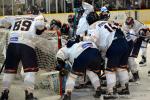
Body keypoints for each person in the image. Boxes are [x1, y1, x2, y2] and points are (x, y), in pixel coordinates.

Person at [0, 7, 46, 100]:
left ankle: (4, 94)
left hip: (12, 45)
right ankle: (29, 95)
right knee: (30, 72)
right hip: (27, 45)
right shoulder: (37, 17)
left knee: (9, 71)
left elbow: (2, 21)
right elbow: (40, 29)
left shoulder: (15, 18)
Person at [122, 17, 150, 82]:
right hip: (128, 43)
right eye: (127, 24)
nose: (128, 25)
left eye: (130, 24)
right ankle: (133, 74)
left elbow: (146, 31)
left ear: (133, 22)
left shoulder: (137, 24)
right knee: (128, 59)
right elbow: (126, 36)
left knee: (130, 58)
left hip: (135, 42)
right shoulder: (125, 26)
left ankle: (135, 75)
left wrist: (145, 34)